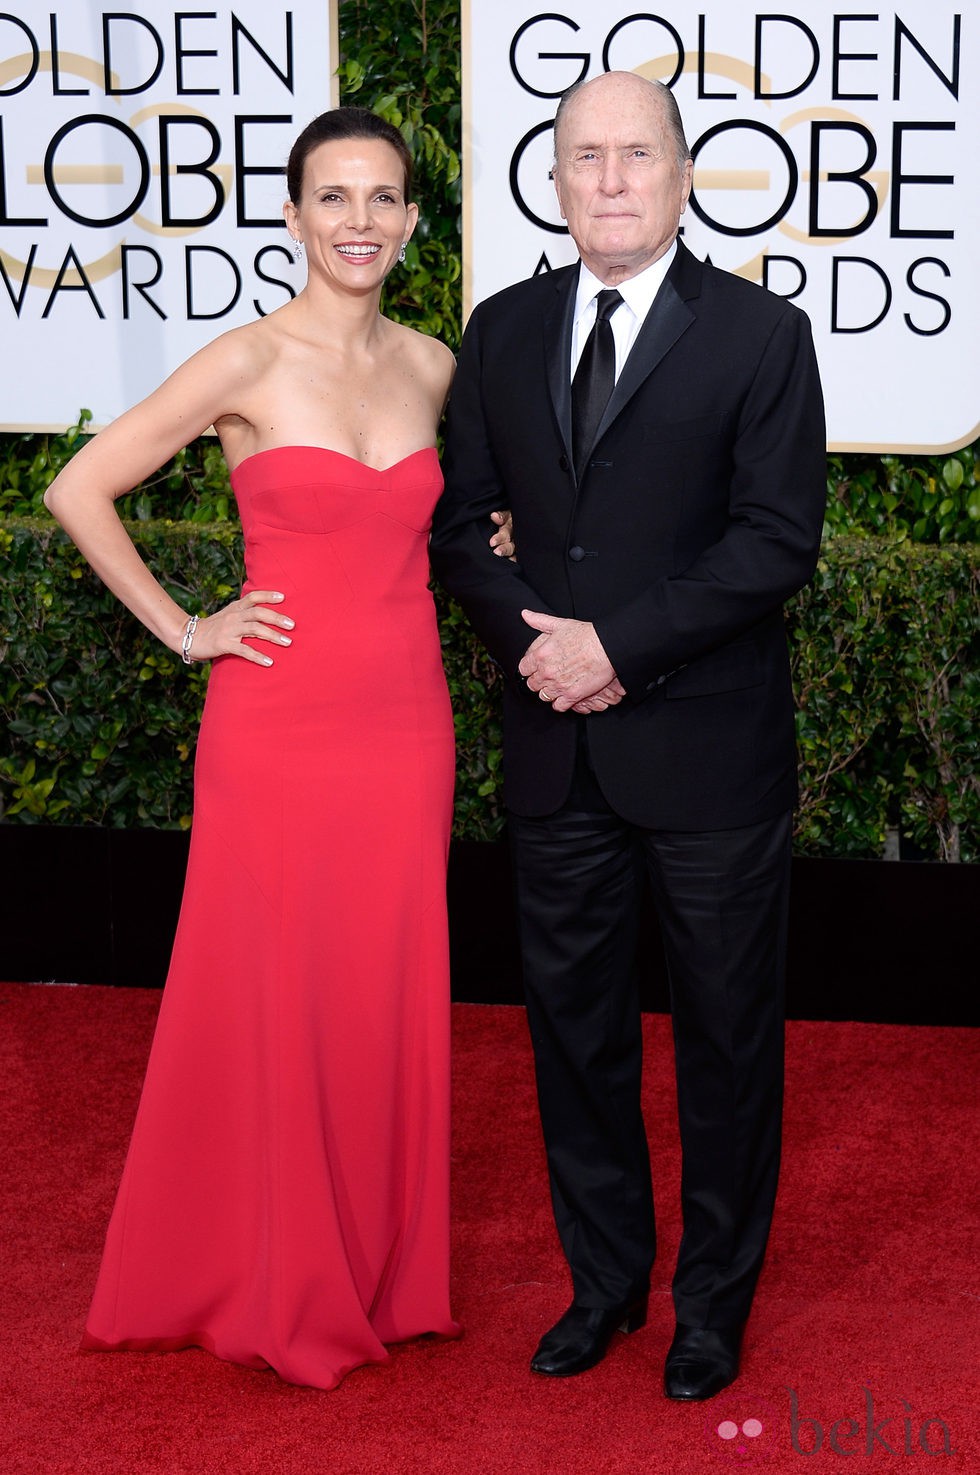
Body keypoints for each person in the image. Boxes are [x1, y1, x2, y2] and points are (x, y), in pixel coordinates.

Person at [44, 106, 511, 1391]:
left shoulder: (434, 368)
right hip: (275, 726)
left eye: (382, 197)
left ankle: (379, 1271)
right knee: (274, 989)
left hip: (403, 724)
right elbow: (79, 485)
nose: (358, 220)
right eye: (333, 197)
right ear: (295, 217)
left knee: (382, 986)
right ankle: (268, 1269)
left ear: (411, 220)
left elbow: (475, 521)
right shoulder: (242, 362)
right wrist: (187, 628)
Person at [429, 71, 827, 1401]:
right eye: (585, 155)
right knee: (574, 1032)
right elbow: (457, 522)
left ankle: (711, 1302)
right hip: (558, 752)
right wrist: (536, 642)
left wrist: (617, 644)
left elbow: (775, 542)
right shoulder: (501, 329)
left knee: (726, 1039)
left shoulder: (762, 335)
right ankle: (604, 1283)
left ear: (682, 173)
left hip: (709, 759)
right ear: (553, 176)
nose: (610, 177)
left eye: (636, 154)